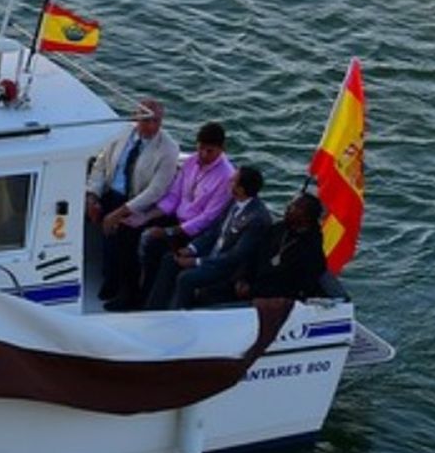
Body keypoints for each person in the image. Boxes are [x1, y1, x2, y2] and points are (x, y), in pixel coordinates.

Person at [123, 122, 236, 311]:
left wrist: (169, 232)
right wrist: (147, 216)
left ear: (221, 149)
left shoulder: (226, 176)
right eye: (200, 149)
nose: (203, 155)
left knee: (166, 255)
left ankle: (153, 307)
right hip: (177, 220)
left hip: (197, 233)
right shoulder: (191, 162)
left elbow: (208, 218)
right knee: (133, 231)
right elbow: (174, 196)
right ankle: (134, 292)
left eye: (210, 151)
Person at [86, 98, 181, 303]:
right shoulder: (121, 133)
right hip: (112, 193)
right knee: (106, 239)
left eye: (156, 121)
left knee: (126, 247)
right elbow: (102, 164)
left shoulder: (168, 150)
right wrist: (93, 195)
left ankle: (129, 294)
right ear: (136, 118)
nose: (152, 126)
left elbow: (156, 190)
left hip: (138, 202)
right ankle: (109, 280)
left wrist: (121, 212)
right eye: (146, 120)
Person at [150, 164, 271, 310]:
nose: (228, 182)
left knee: (186, 278)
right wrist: (191, 248)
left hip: (226, 266)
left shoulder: (257, 218)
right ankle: (155, 308)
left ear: (241, 189)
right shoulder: (233, 202)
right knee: (170, 260)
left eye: (232, 181)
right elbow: (214, 231)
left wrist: (196, 262)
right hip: (213, 255)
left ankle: (179, 314)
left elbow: (236, 256)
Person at [235, 192, 328, 302]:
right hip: (249, 285)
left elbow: (294, 287)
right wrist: (242, 278)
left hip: (269, 297)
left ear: (307, 216)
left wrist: (253, 290)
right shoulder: (278, 229)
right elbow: (253, 254)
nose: (288, 208)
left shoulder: (311, 250)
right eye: (290, 204)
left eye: (294, 206)